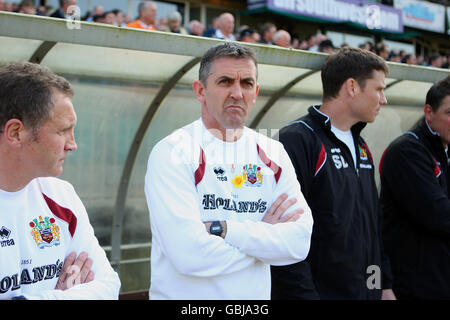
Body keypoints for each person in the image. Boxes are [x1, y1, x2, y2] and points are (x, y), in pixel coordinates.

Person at [145, 42, 313, 300]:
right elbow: (189, 255)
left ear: (255, 92)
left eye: (246, 83)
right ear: (200, 90)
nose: (237, 93)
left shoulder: (273, 152)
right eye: (225, 81)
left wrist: (224, 229)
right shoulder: (173, 152)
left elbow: (299, 243)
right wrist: (264, 239)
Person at [272, 47, 395, 300]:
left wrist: (381, 287)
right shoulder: (297, 140)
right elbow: (284, 238)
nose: (383, 99)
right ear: (352, 87)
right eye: (379, 89)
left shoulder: (360, 146)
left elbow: (372, 227)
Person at [0, 62, 120, 299]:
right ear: (15, 133)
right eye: (63, 130)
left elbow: (108, 286)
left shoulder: (60, 195)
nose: (73, 144)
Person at [379, 76, 450, 299]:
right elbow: (437, 214)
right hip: (413, 285)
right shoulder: (407, 151)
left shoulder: (445, 148)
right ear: (429, 113)